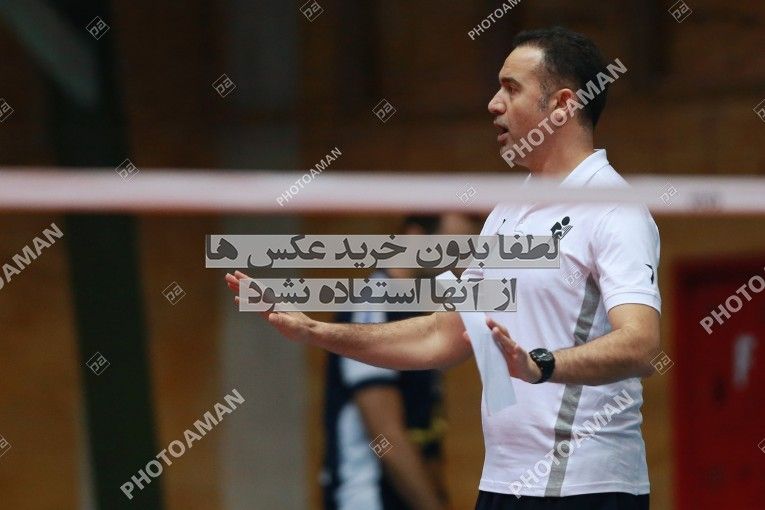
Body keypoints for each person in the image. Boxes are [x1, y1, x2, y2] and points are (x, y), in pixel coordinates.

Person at [225, 26, 661, 510]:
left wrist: (541, 365)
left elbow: (641, 344)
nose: (493, 104)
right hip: (503, 485)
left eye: (511, 88)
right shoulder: (507, 213)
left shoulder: (614, 208)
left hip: (586, 487)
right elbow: (445, 334)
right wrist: (315, 331)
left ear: (561, 105)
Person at [322, 213, 479, 510]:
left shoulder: (419, 311)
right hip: (368, 498)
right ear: (416, 237)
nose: (465, 258)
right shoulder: (373, 300)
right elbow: (386, 435)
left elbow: (425, 430)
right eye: (457, 245)